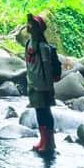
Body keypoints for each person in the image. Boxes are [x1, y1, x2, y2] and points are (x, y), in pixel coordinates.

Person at [25, 12, 57, 155]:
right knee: (39, 112)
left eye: (31, 24)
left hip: (43, 86)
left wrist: (50, 87)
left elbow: (48, 68)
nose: (28, 26)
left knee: (46, 112)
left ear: (38, 28)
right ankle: (43, 140)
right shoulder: (28, 43)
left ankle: (49, 142)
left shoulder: (43, 47)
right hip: (33, 84)